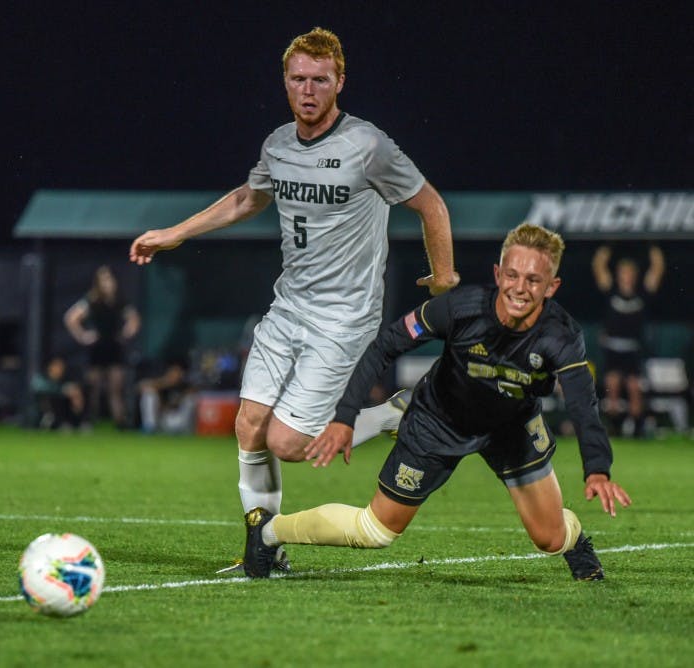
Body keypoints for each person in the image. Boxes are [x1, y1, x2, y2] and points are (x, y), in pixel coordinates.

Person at [129, 27, 457, 572]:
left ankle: (396, 414)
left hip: (343, 319)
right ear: (285, 81)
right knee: (248, 425)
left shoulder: (368, 146)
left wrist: (443, 278)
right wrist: (176, 233)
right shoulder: (278, 143)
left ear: (340, 83)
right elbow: (245, 199)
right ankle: (262, 551)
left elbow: (432, 205)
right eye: (299, 79)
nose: (308, 90)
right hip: (288, 309)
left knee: (285, 442)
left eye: (320, 80)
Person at [242, 223, 632, 582]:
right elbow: (384, 347)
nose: (520, 287)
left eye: (534, 280)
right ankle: (270, 531)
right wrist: (344, 418)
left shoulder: (562, 336)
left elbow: (583, 404)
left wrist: (597, 469)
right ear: (498, 275)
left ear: (552, 286)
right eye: (512, 275)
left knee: (549, 538)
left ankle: (575, 540)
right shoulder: (459, 309)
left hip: (512, 427)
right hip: (438, 420)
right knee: (374, 532)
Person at [592, 244, 665, 437]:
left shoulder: (642, 293)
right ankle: (614, 428)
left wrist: (650, 243)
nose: (627, 276)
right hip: (612, 349)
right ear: (618, 274)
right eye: (623, 273)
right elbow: (599, 265)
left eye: (630, 273)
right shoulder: (611, 291)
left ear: (635, 275)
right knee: (613, 386)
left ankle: (637, 430)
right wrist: (609, 243)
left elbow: (657, 269)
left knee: (634, 388)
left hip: (633, 350)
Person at [64, 265, 141, 428]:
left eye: (110, 279)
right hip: (97, 347)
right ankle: (88, 420)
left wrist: (126, 333)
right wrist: (83, 336)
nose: (108, 283)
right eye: (104, 280)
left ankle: (120, 422)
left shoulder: (119, 300)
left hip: (114, 346)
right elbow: (71, 318)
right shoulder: (91, 300)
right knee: (93, 387)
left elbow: (134, 319)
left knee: (116, 387)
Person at [138, 360, 197, 434]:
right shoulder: (163, 384)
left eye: (177, 372)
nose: (175, 374)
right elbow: (141, 387)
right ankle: (149, 427)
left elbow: (196, 391)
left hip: (178, 419)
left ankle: (186, 431)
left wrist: (182, 396)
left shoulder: (184, 385)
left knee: (191, 399)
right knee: (149, 395)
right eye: (173, 372)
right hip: (163, 418)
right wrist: (164, 383)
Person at [31, 356, 86, 431]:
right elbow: (39, 389)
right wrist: (61, 391)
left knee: (75, 394)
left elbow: (69, 389)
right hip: (40, 413)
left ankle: (78, 421)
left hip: (61, 411)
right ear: (50, 367)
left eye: (61, 368)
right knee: (55, 398)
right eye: (56, 367)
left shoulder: (63, 381)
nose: (59, 370)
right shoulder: (40, 378)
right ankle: (58, 423)